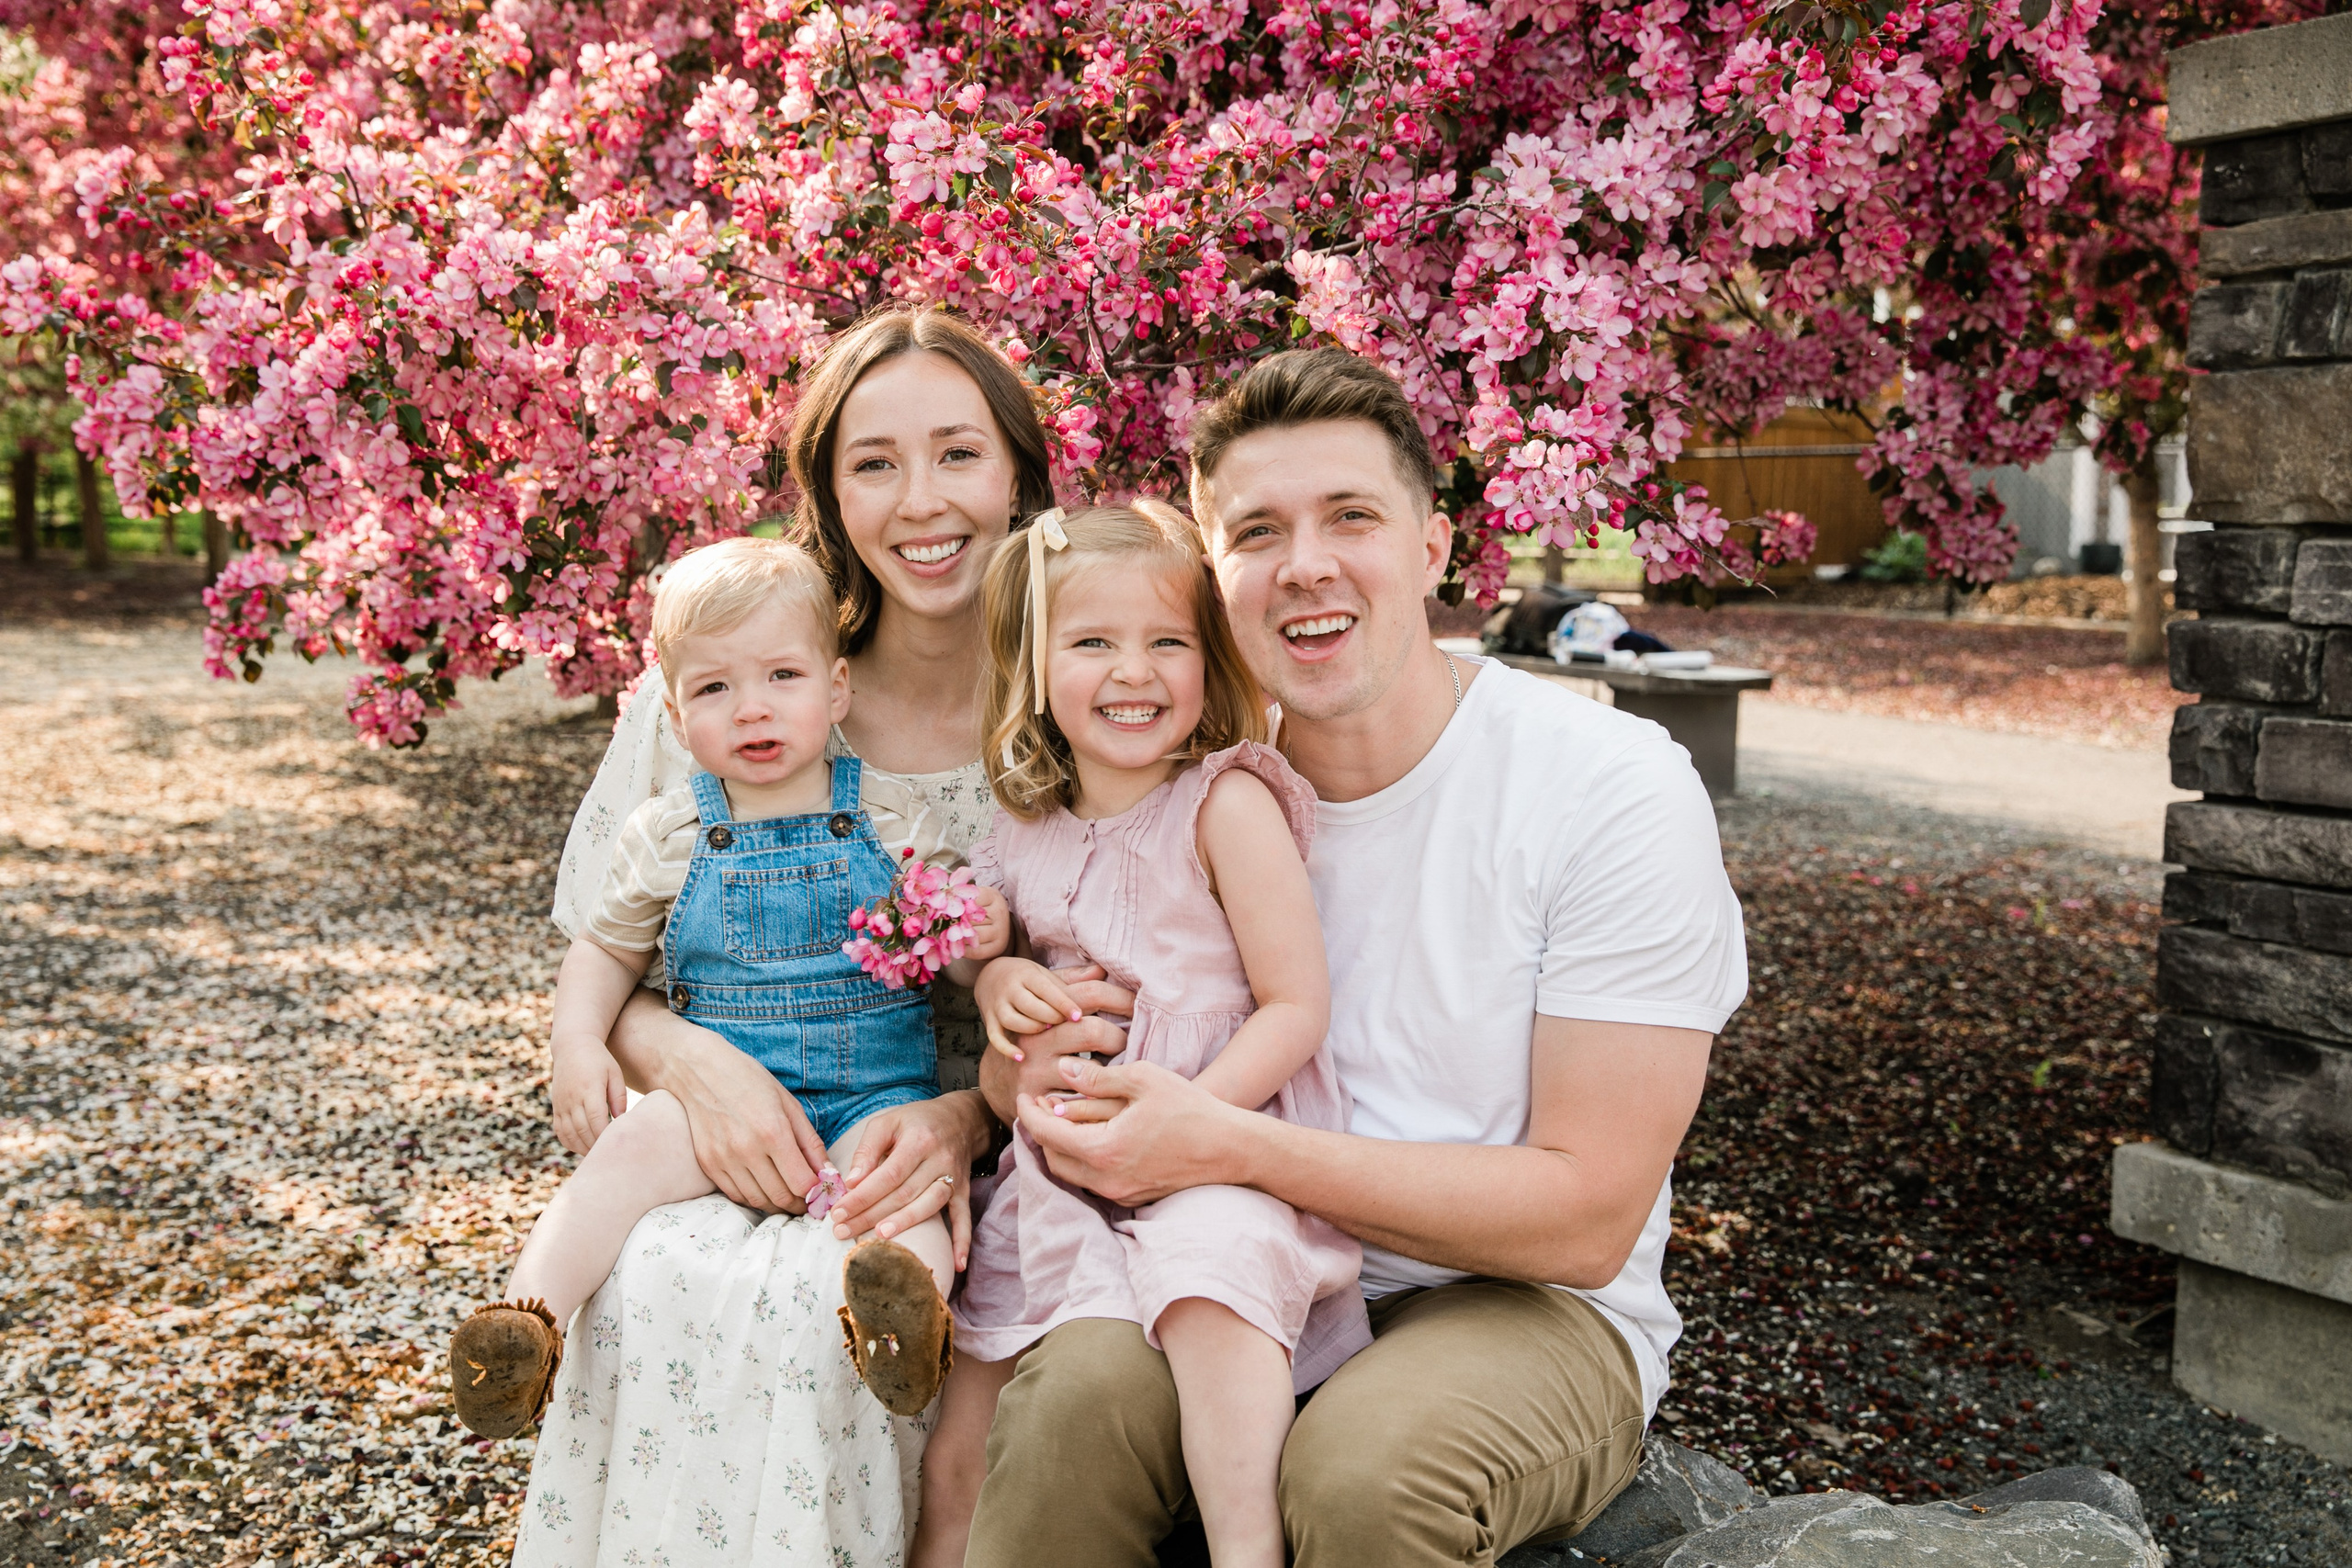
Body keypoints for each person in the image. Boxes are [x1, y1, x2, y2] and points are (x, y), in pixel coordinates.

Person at [960, 348, 1749, 1568]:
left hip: (1509, 1296)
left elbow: (1588, 1214)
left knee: (1364, 1473)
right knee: (1076, 1403)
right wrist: (1027, 1071)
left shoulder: (1606, 784)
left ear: (1433, 546)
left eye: (1351, 516)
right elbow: (1057, 1034)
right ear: (1216, 581)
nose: (1306, 564)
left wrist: (1227, 1142)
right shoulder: (1176, 794)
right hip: (1212, 1246)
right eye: (1259, 530)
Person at [512, 309, 1099, 1567]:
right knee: (668, 1268)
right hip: (723, 1108)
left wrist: (960, 1120)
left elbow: (1121, 984)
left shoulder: (1088, 688)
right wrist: (685, 1060)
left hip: (981, 1131)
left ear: (1020, 473)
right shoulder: (732, 673)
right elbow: (605, 949)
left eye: (959, 453)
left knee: (843, 1295)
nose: (921, 500)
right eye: (874, 462)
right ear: (828, 489)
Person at [450, 538, 1010, 1441]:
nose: (751, 708)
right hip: (719, 1109)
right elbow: (605, 951)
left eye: (780, 676)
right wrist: (576, 1045)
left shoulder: (892, 819)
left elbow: (953, 949)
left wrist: (984, 947)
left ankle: (905, 1321)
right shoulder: (668, 833)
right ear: (674, 713)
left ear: (835, 691)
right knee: (626, 1154)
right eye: (713, 688)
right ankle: (523, 1323)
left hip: (874, 1092)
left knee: (895, 1192)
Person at [912, 502, 1368, 1568]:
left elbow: (1296, 1006)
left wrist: (1195, 1126)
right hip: (1062, 1167)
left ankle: (1243, 1546)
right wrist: (998, 978)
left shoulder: (1223, 804)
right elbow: (976, 939)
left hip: (1220, 1144)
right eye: (1092, 644)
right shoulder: (1022, 824)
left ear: (1208, 663)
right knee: (967, 1431)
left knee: (1213, 1279)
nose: (1135, 672)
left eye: (1166, 641)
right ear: (1032, 666)